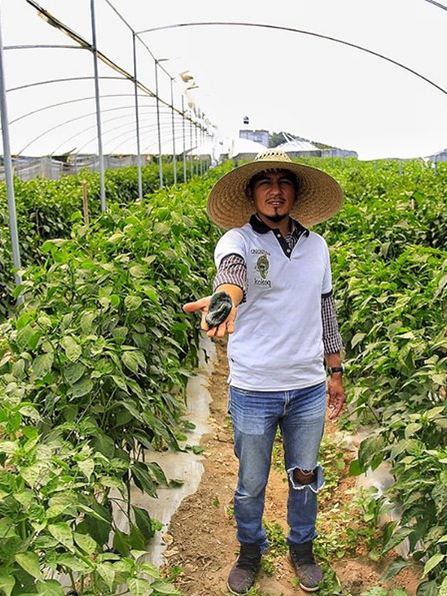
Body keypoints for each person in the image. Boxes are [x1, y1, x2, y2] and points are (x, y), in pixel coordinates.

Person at [184, 150, 346, 594]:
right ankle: (250, 550)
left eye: (284, 182)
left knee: (305, 474)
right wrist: (225, 300)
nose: (275, 190)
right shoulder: (237, 241)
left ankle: (302, 548)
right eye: (265, 182)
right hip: (255, 387)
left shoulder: (317, 246)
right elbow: (231, 276)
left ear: (295, 192)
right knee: (252, 482)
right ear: (252, 194)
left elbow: (325, 308)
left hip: (308, 387)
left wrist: (335, 369)